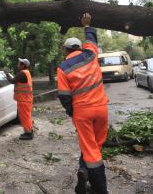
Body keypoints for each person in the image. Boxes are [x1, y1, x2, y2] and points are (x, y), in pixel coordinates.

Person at [57, 13, 108, 194]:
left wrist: (73, 112)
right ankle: (84, 171)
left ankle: (100, 189)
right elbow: (92, 39)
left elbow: (64, 95)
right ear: (79, 47)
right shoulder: (91, 55)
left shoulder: (63, 68)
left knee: (90, 150)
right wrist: (87, 26)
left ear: (66, 50)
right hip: (101, 108)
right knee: (96, 145)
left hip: (82, 112)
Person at [4, 58, 34, 140]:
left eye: (19, 63)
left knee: (25, 117)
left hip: (24, 100)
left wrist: (6, 74)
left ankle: (28, 134)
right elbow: (16, 79)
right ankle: (29, 131)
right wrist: (9, 73)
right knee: (27, 116)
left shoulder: (22, 73)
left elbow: (12, 81)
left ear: (23, 65)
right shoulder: (26, 73)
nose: (17, 65)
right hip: (26, 99)